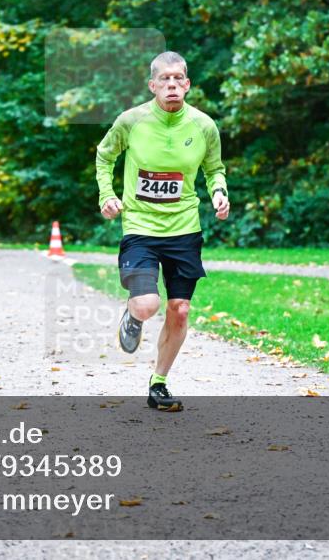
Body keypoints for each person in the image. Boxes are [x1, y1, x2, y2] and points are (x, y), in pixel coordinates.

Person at [95, 51, 230, 411]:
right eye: (164, 79)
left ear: (187, 84)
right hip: (140, 226)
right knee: (147, 304)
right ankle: (134, 313)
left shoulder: (203, 126)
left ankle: (159, 383)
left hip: (185, 229)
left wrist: (219, 192)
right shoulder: (131, 121)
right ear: (152, 85)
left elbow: (215, 169)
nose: (171, 85)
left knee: (180, 309)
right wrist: (107, 195)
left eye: (178, 78)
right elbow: (105, 156)